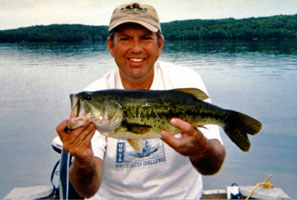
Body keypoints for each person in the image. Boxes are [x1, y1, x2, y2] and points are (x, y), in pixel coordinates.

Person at [56, 2, 226, 199]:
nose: (136, 48)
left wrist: (202, 149)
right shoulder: (94, 94)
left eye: (145, 38)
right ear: (111, 46)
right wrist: (83, 160)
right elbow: (88, 190)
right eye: (125, 39)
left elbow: (213, 166)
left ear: (159, 45)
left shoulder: (185, 81)